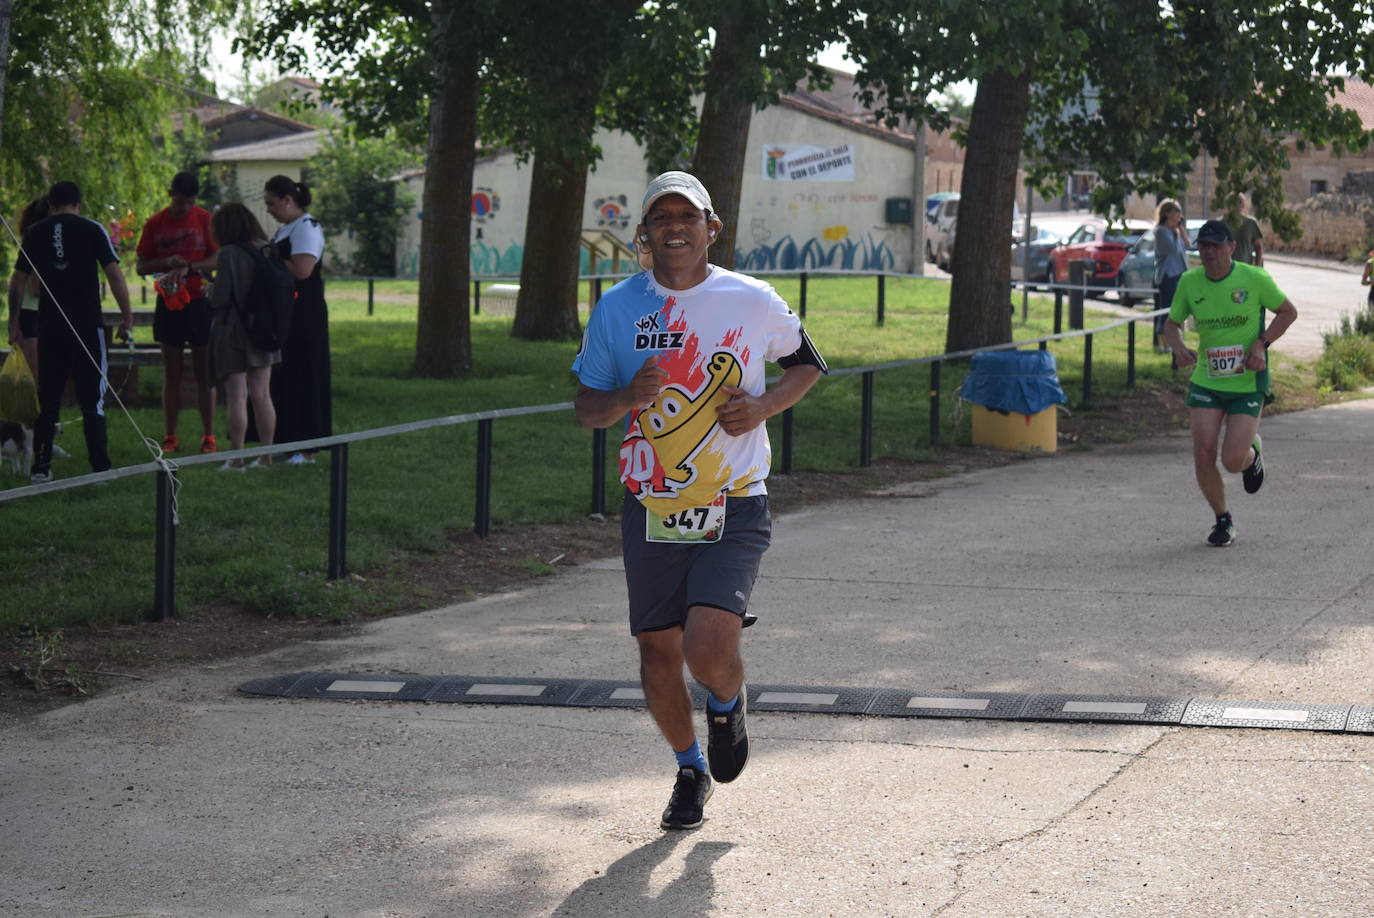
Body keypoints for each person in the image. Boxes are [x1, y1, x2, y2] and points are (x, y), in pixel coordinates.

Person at [572, 171, 825, 830]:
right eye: (662, 218)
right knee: (658, 653)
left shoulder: (751, 299)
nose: (675, 227)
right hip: (652, 505)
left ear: (712, 229)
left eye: (688, 216)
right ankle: (690, 769)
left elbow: (807, 364)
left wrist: (764, 405)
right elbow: (587, 408)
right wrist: (627, 397)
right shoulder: (618, 308)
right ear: (645, 234)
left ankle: (726, 702)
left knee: (707, 649)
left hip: (734, 499)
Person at [1163, 219, 1297, 547]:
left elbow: (1288, 312)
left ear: (1231, 247)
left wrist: (1261, 344)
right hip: (1207, 380)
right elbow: (1171, 324)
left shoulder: (1253, 278)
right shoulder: (1190, 282)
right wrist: (1178, 347)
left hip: (1248, 379)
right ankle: (1223, 519)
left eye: (1215, 245)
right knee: (1203, 452)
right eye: (1203, 246)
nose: (1209, 252)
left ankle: (1252, 453)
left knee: (1232, 461)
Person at [11, 181, 133, 483]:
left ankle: (41, 468)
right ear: (78, 204)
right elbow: (114, 275)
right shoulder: (92, 229)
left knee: (48, 397)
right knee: (93, 398)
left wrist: (13, 322)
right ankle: (100, 467)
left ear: (51, 204)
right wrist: (126, 317)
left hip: (50, 327)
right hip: (87, 325)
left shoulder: (35, 232)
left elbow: (17, 281)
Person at [135, 171, 219, 454]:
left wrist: (192, 267)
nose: (184, 208)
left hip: (199, 301)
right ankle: (170, 436)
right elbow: (141, 265)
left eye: (189, 203)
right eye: (180, 202)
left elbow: (218, 258)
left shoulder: (206, 220)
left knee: (204, 371)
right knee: (171, 372)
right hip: (169, 301)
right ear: (170, 194)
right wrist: (165, 261)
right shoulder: (155, 223)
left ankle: (209, 435)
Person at [261, 175, 331, 464]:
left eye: (272, 203)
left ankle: (307, 448)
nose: (269, 210)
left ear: (288, 200)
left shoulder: (307, 227)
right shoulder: (283, 230)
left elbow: (302, 269)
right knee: (285, 376)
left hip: (305, 314)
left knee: (306, 375)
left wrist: (267, 258)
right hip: (284, 312)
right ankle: (288, 440)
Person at [207, 204, 279, 471]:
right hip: (264, 330)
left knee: (237, 396)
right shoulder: (267, 248)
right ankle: (267, 456)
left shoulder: (228, 254)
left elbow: (222, 296)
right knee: (262, 395)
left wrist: (210, 289)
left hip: (234, 331)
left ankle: (236, 458)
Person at [6, 197, 49, 380]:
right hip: (31, 313)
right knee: (35, 377)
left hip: (40, 313)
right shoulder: (36, 243)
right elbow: (36, 289)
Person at [1151, 199, 1189, 352]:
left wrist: (1181, 231)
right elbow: (1172, 250)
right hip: (1167, 274)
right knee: (1166, 309)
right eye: (1176, 214)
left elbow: (1187, 245)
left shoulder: (1176, 231)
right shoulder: (1161, 231)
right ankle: (1162, 343)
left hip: (1179, 273)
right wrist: (1175, 233)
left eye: (1180, 215)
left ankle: (1174, 342)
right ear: (1167, 214)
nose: (1178, 218)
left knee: (1177, 309)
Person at [1225, 192, 1264, 267]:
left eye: (1238, 203)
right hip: (1225, 270)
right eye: (1232, 203)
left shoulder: (1250, 223)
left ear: (1242, 204)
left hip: (1245, 268)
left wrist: (1256, 267)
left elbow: (1259, 247)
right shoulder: (1220, 223)